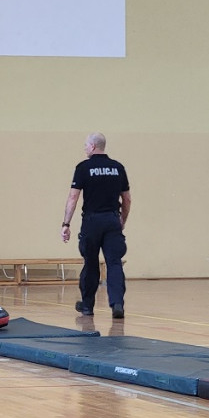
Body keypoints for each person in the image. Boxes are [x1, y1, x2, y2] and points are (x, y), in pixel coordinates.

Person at [60, 132, 130, 319]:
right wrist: (122, 220)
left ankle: (87, 306)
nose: (84, 148)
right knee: (114, 263)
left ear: (92, 146)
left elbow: (73, 197)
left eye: (85, 145)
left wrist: (66, 224)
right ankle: (117, 304)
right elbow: (127, 199)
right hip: (112, 220)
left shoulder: (83, 168)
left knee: (91, 262)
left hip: (92, 221)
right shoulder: (118, 168)